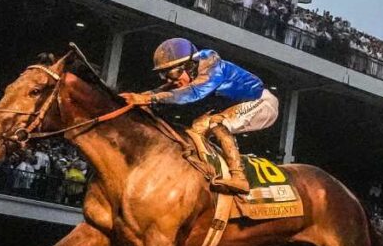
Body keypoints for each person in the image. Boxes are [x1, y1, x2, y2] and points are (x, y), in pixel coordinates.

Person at [119, 38, 279, 194]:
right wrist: (135, 97)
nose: (169, 80)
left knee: (217, 123)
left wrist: (148, 99)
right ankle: (212, 170)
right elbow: (164, 89)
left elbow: (192, 94)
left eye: (172, 74)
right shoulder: (192, 71)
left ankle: (239, 177)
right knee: (196, 129)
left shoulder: (213, 69)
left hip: (263, 102)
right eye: (163, 75)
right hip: (240, 103)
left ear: (189, 66)